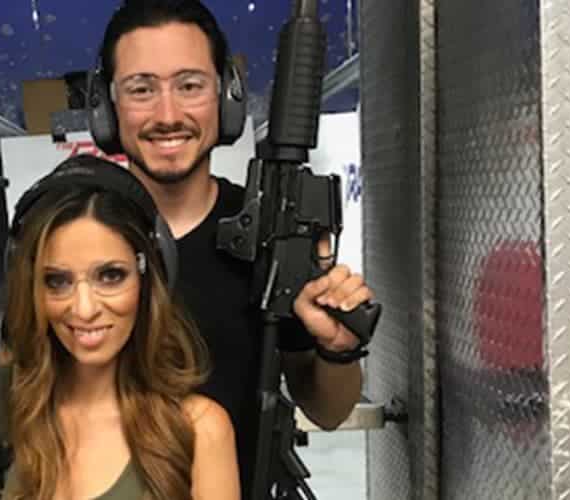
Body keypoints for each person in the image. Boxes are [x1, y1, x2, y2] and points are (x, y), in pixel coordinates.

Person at [90, 0, 375, 495]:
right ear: (106, 107)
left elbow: (327, 411)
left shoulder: (271, 232)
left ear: (227, 96)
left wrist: (337, 349)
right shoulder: (73, 234)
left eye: (190, 85)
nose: (167, 114)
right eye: (141, 89)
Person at [0, 155, 241, 500]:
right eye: (57, 281)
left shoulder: (197, 429)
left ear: (148, 278)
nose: (84, 308)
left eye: (110, 276)